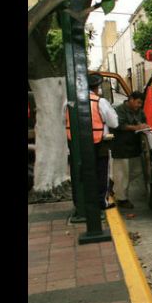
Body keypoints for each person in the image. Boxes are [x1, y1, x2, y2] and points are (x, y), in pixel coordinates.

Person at [66, 73, 119, 210]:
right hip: (98, 144)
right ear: (96, 88)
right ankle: (101, 202)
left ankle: (80, 203)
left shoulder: (69, 102)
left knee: (79, 173)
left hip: (75, 145)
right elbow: (114, 123)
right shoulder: (100, 102)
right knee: (101, 174)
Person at [112, 91, 150, 209]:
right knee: (122, 173)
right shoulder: (119, 110)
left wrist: (144, 126)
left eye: (141, 103)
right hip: (121, 146)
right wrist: (136, 127)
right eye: (138, 102)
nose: (139, 105)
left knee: (136, 170)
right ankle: (122, 199)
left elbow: (143, 120)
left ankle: (115, 185)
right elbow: (118, 125)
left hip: (134, 146)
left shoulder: (139, 111)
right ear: (131, 99)